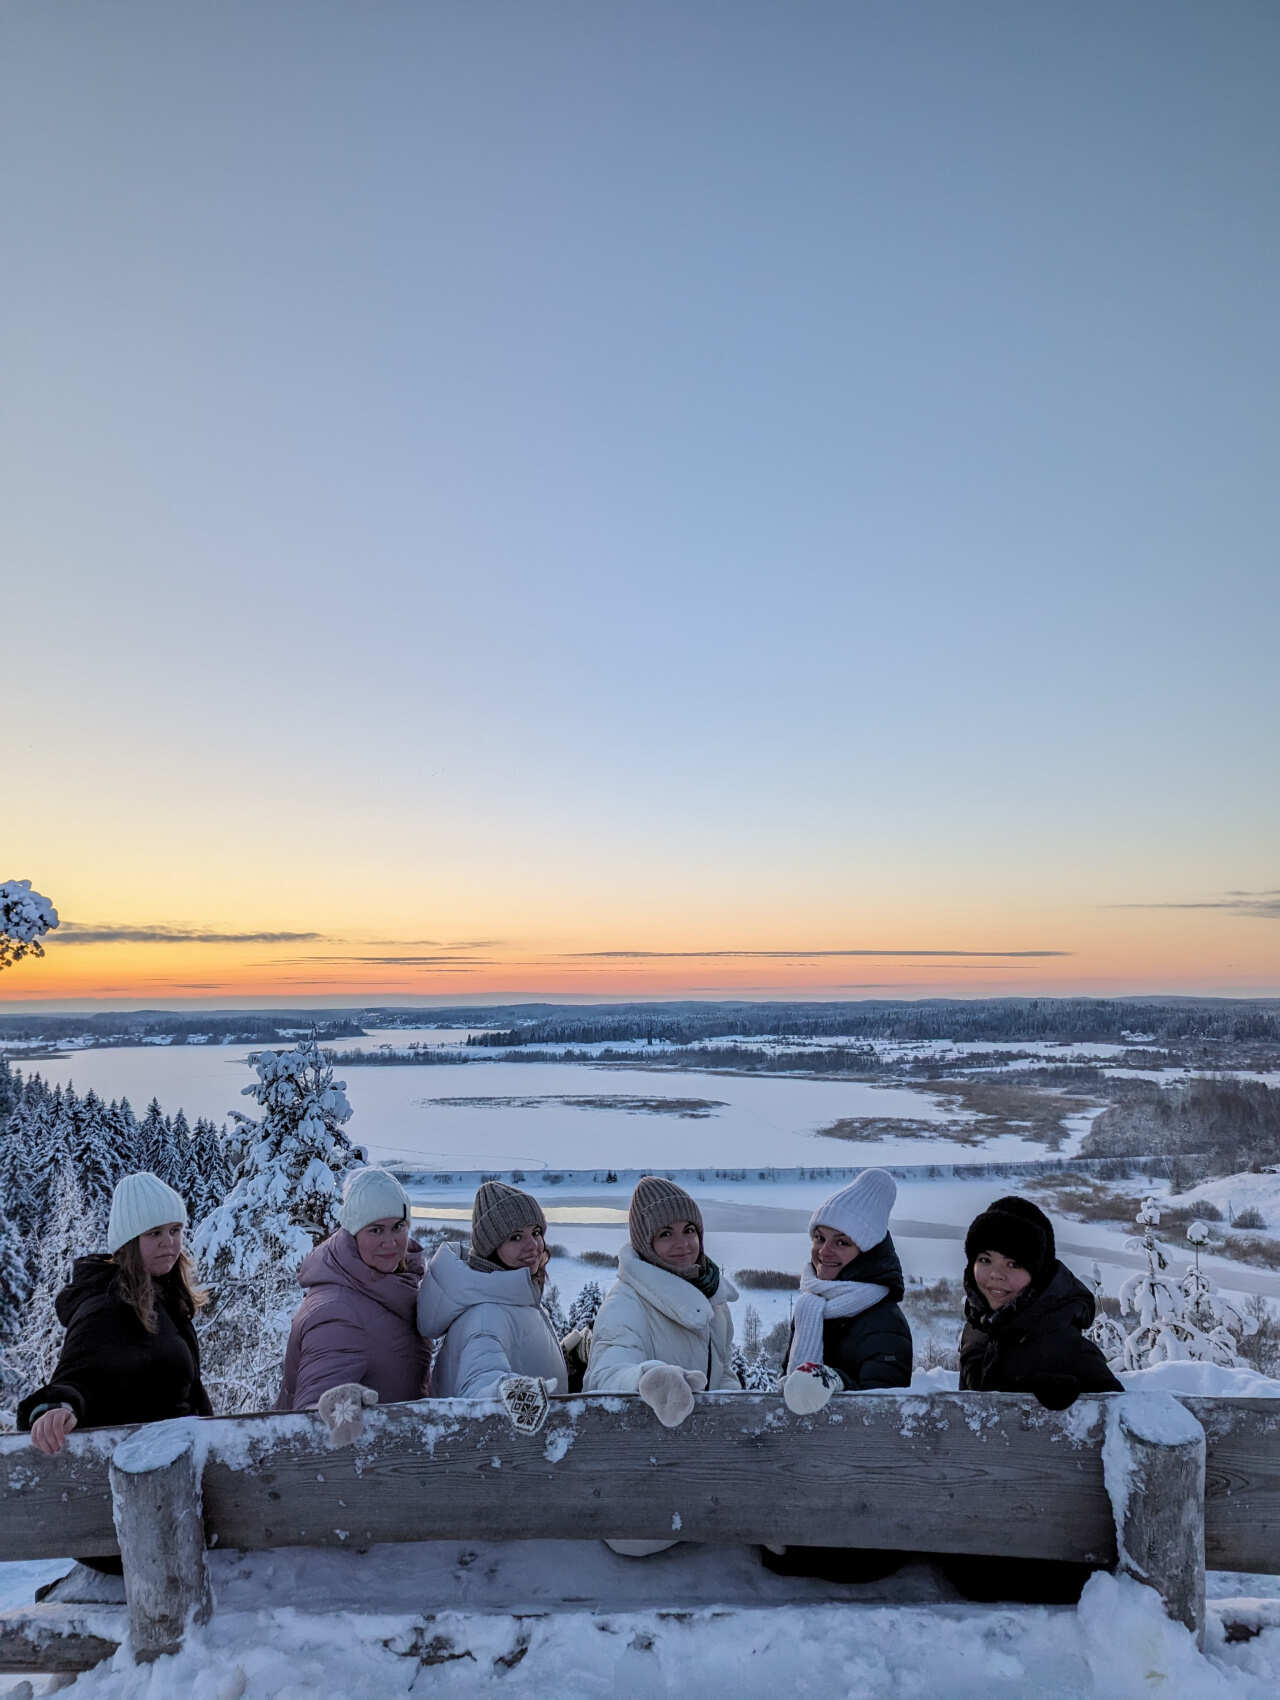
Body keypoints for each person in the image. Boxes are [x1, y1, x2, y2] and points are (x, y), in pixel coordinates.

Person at [18, 1170, 213, 1579]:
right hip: (134, 1516)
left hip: (173, 1494)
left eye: (175, 1230)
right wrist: (56, 1407)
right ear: (129, 1242)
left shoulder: (166, 1298)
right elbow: (76, 1375)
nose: (170, 1243)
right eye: (155, 1233)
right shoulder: (106, 1307)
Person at [946, 1193, 1123, 1604]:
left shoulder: (1061, 1339)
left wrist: (1076, 1406)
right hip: (990, 1520)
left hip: (1054, 1550)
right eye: (986, 1259)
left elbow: (1123, 1420)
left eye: (1014, 1264)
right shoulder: (980, 1328)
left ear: (1038, 1270)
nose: (996, 1276)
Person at [763, 1169, 913, 1584]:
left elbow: (881, 1414)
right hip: (815, 1474)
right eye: (819, 1238)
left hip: (860, 1501)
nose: (824, 1252)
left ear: (866, 1250)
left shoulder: (883, 1321)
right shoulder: (815, 1306)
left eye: (842, 1242)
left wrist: (833, 1381)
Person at [585, 1177, 737, 1555]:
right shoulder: (626, 1303)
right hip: (643, 1485)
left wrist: (737, 1414)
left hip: (702, 1463)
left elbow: (724, 1371)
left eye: (689, 1230)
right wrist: (647, 1379)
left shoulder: (711, 1299)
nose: (683, 1244)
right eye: (665, 1234)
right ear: (645, 1244)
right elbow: (604, 1374)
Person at [277, 1167, 430, 1443]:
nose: (391, 1241)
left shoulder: (389, 1287)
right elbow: (312, 1416)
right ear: (353, 1234)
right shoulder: (337, 1312)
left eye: (398, 1226)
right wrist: (330, 1409)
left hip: (394, 1464)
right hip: (363, 1475)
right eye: (375, 1230)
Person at [417, 1180, 567, 1423]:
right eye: (516, 1237)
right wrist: (506, 1390)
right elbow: (480, 1378)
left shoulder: (508, 1293)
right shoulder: (485, 1314)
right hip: (509, 1457)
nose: (532, 1246)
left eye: (536, 1233)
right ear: (490, 1248)